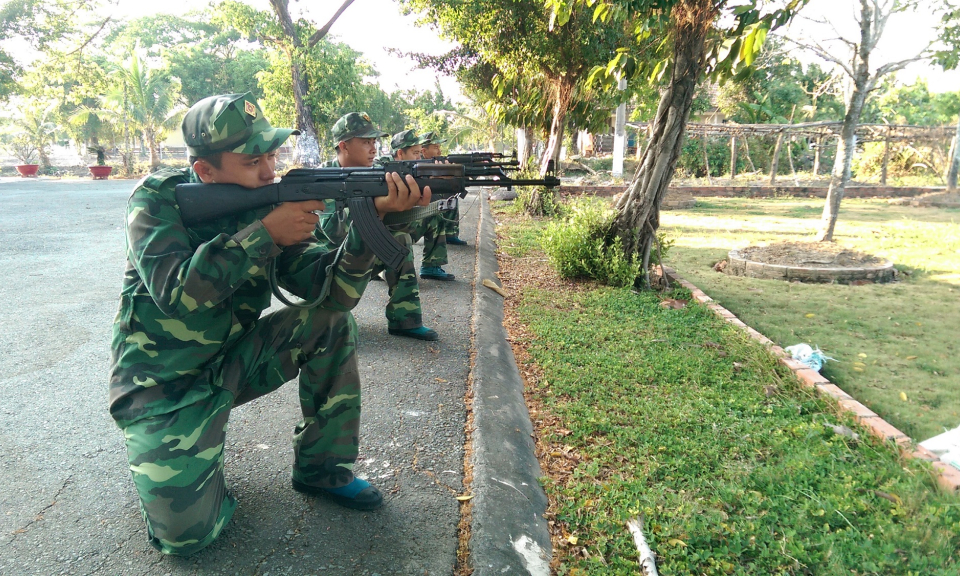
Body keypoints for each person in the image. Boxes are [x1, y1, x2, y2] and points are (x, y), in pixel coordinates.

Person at [108, 94, 428, 556]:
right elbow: (178, 294)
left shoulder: (270, 204)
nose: (268, 171)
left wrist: (373, 219)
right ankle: (186, 456)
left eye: (272, 155)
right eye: (252, 160)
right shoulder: (158, 201)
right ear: (205, 173)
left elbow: (334, 294)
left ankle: (322, 468)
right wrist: (266, 234)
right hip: (163, 390)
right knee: (188, 540)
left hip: (232, 364)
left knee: (330, 324)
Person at [326, 117, 442, 341]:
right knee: (331, 336)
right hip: (329, 262)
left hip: (361, 255)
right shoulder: (323, 178)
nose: (373, 148)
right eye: (366, 142)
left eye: (375, 142)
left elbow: (399, 227)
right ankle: (324, 325)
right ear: (344, 145)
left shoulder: (380, 174)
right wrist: (378, 206)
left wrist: (406, 204)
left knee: (400, 239)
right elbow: (332, 231)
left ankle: (405, 319)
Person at [419, 131, 467, 246]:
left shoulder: (438, 161)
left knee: (452, 192)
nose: (439, 151)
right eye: (436, 147)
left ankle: (450, 234)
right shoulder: (416, 164)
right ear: (424, 151)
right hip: (420, 202)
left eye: (439, 147)